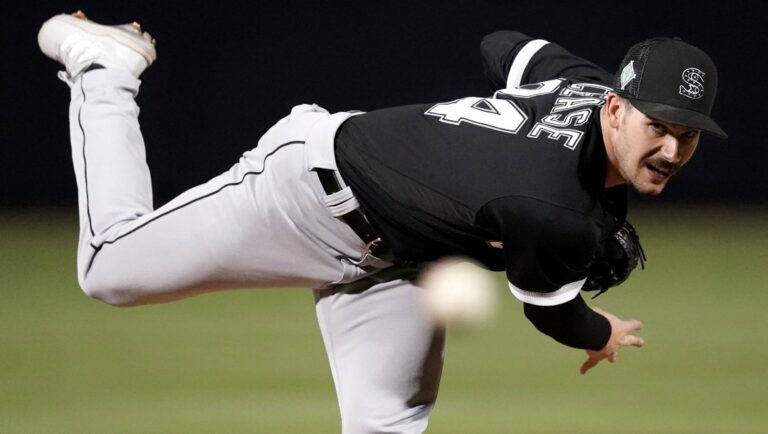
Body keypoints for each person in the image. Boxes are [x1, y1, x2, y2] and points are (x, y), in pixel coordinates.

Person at [38, 11, 726, 434]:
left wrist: (527, 113)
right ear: (616, 109)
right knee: (109, 270)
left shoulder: (581, 86)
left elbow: (505, 43)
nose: (670, 150)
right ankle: (108, 72)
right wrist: (601, 331)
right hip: (308, 195)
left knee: (385, 427)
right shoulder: (556, 210)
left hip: (404, 258)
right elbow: (553, 316)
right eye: (657, 126)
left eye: (688, 136)